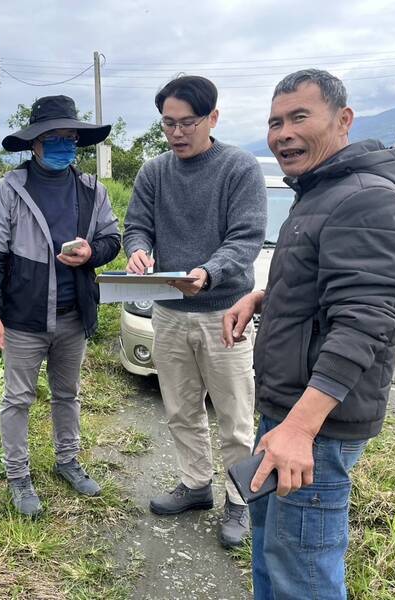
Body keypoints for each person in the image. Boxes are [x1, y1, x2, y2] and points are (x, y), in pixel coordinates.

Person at [222, 69, 395, 599]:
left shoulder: (364, 199)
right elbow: (330, 290)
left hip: (314, 427)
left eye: (299, 118)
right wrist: (265, 298)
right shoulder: (321, 191)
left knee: (302, 572)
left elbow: (364, 320)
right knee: (275, 550)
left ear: (344, 120)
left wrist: (300, 429)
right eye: (274, 122)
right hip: (291, 413)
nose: (283, 133)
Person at [123, 75, 267, 547]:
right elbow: (137, 226)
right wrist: (139, 251)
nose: (177, 132)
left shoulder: (239, 169)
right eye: (168, 123)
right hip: (168, 310)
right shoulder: (154, 172)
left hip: (224, 311)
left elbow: (245, 240)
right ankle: (195, 485)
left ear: (213, 119)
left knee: (235, 415)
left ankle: (239, 501)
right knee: (181, 409)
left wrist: (208, 271)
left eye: (188, 122)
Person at [0, 95, 121, 517]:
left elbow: (113, 240)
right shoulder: (7, 191)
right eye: (54, 138)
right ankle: (18, 475)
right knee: (17, 398)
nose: (64, 145)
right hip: (23, 319)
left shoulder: (92, 191)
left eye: (70, 138)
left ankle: (67, 461)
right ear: (35, 143)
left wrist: (92, 252)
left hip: (74, 316)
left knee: (67, 394)